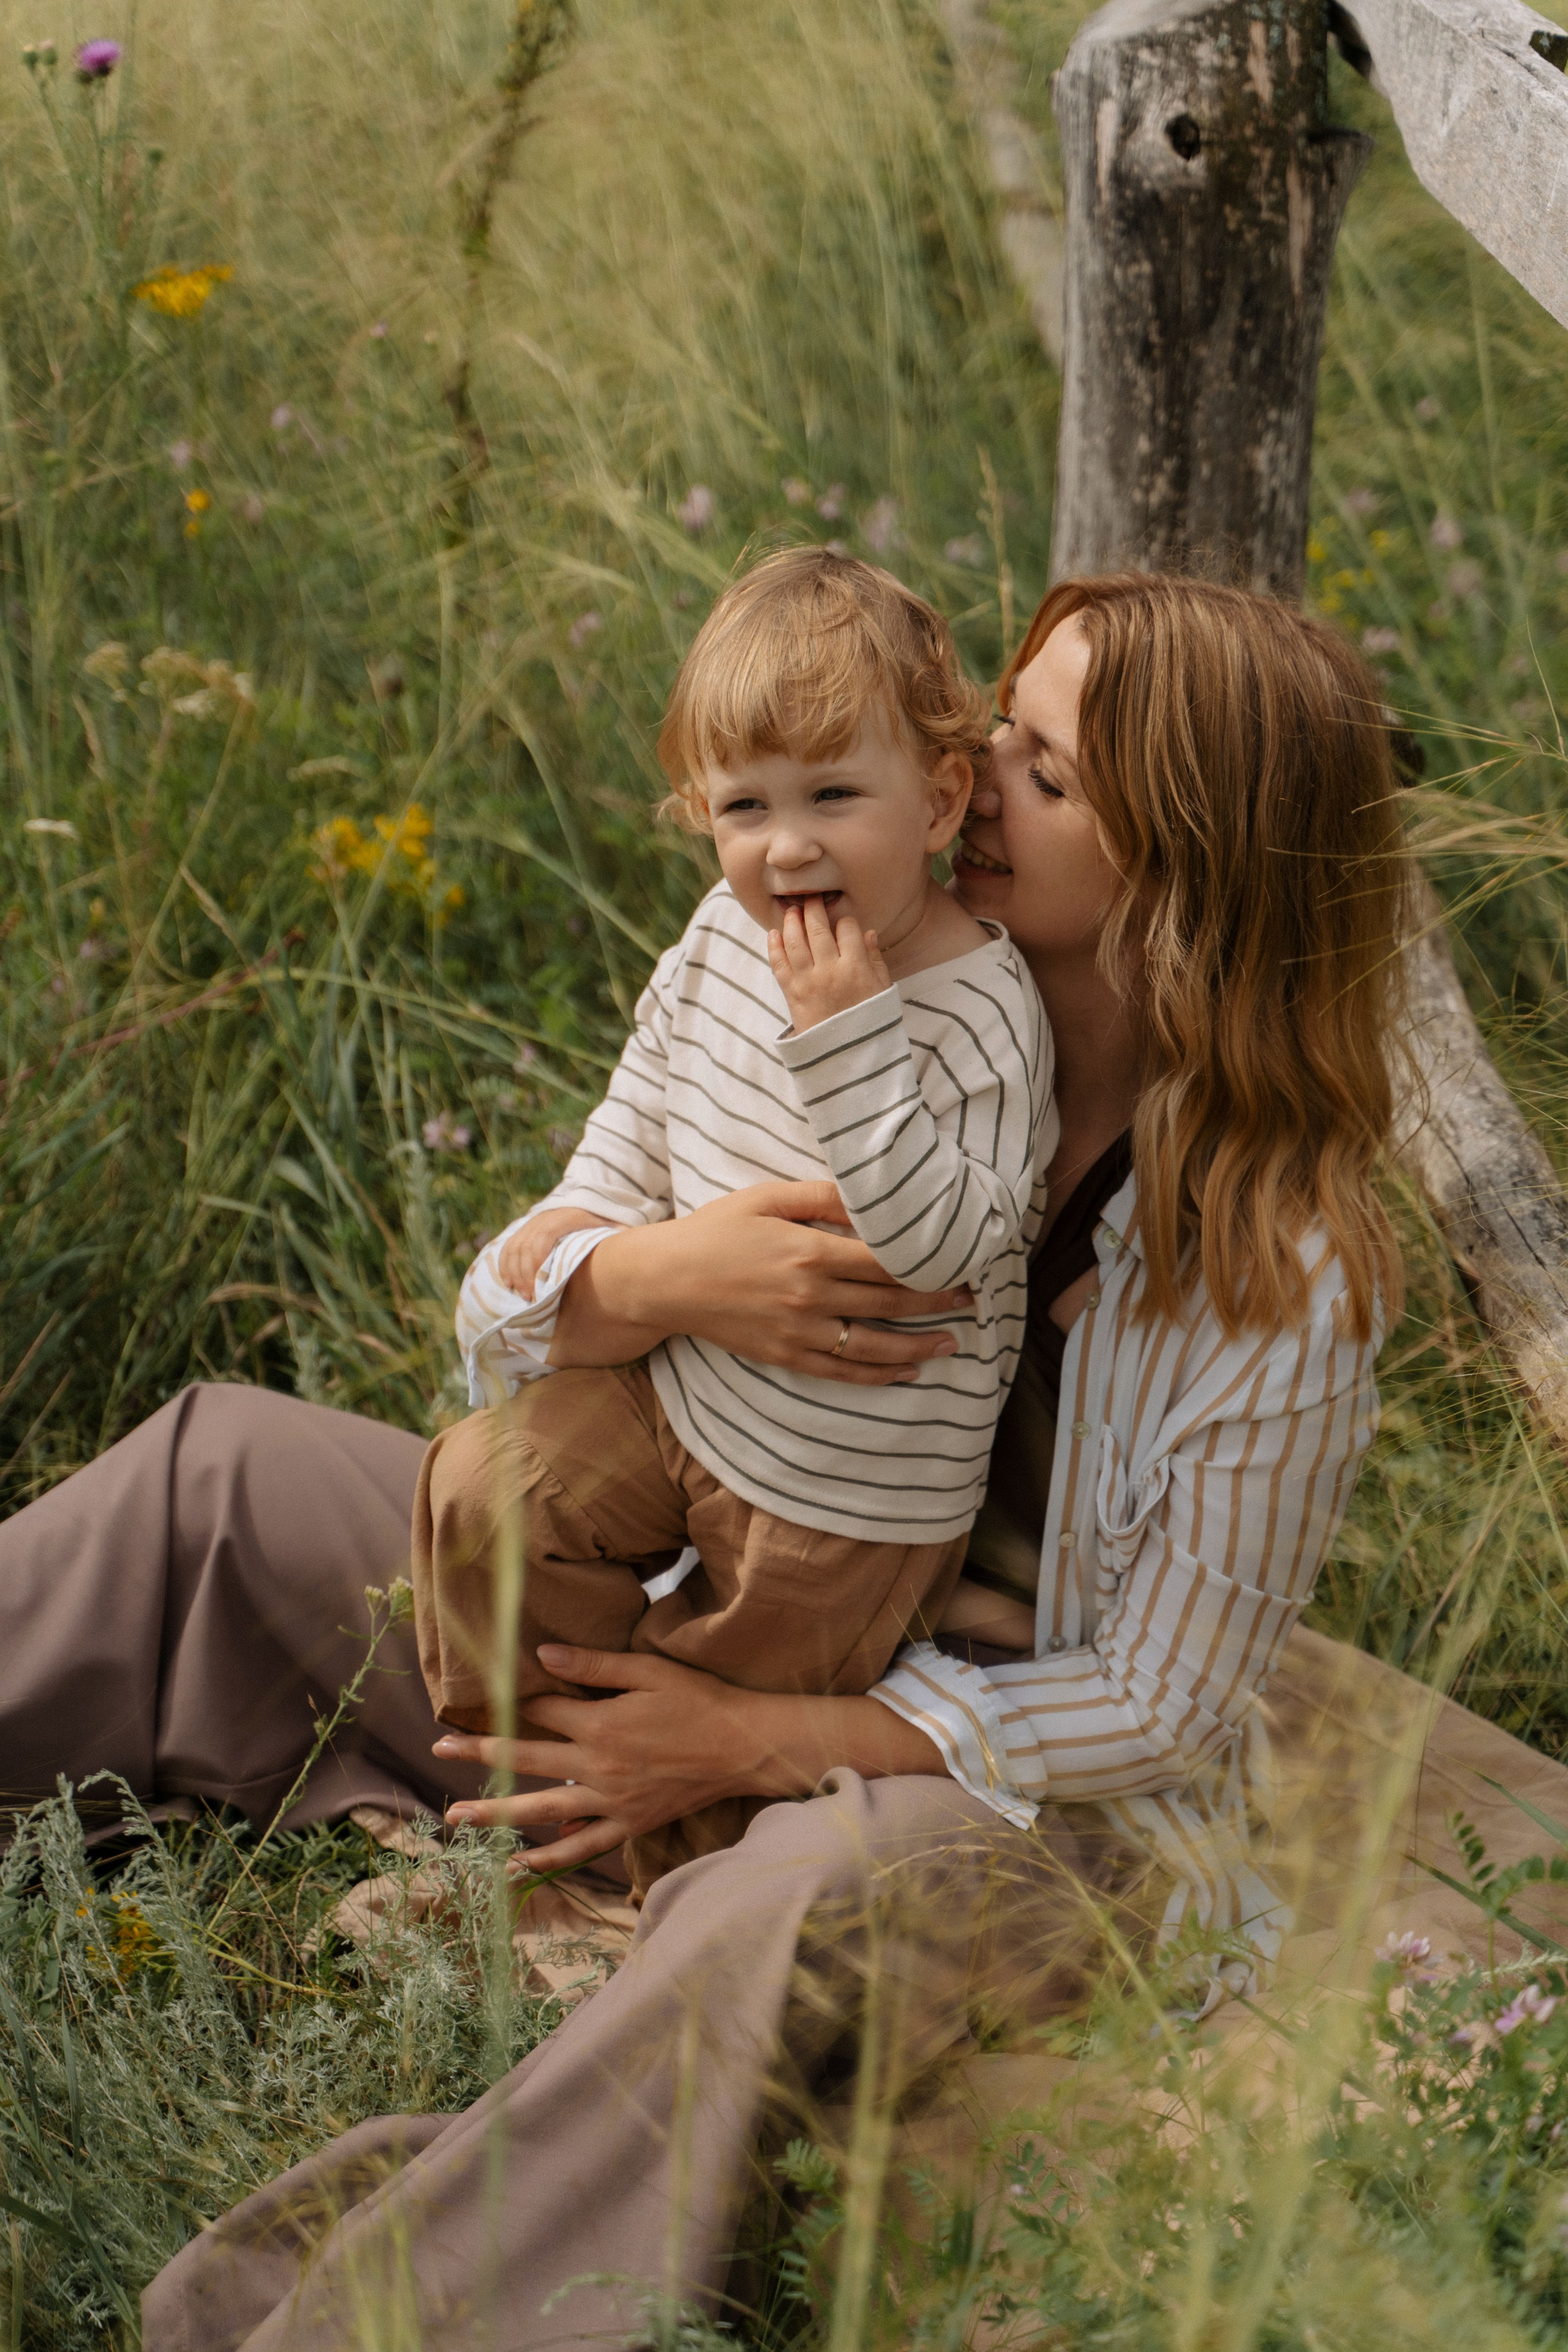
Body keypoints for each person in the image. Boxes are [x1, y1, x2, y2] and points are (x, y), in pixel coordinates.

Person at [0, 572, 1408, 2349]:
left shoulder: (1290, 1269)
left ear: (1188, 866)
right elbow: (508, 1315)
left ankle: (356, 2323)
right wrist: (644, 1281)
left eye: (1039, 770)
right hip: (695, 1576)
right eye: (991, 725)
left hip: (990, 1785)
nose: (968, 765)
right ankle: (582, 1839)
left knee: (778, 1908)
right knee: (222, 1470)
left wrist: (744, 1743)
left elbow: (1160, 1700)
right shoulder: (788, 952)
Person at [417, 551, 1056, 1892]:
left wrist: (847, 1033)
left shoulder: (982, 1011)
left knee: (715, 1726)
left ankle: (646, 1883)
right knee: (485, 1494)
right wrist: (587, 1205)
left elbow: (947, 1246)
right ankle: (543, 1798)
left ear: (940, 799)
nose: (786, 845)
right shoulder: (720, 931)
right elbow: (649, 1091)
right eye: (744, 806)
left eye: (833, 795)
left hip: (846, 1494)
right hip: (677, 1393)